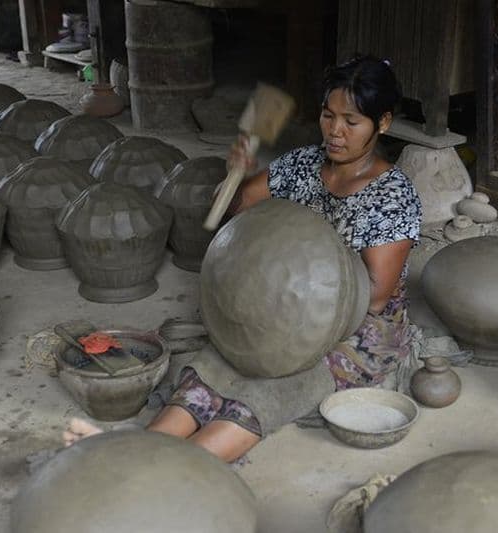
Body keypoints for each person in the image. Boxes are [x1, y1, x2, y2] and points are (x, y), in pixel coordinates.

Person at [64, 55, 422, 463]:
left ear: (384, 123)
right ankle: (132, 460)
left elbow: (374, 297)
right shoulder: (303, 164)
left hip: (354, 330)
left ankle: (173, 476)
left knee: (268, 386)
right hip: (282, 303)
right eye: (328, 115)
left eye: (351, 121)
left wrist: (296, 321)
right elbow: (236, 212)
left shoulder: (393, 195)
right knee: (214, 366)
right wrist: (236, 173)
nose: (335, 131)